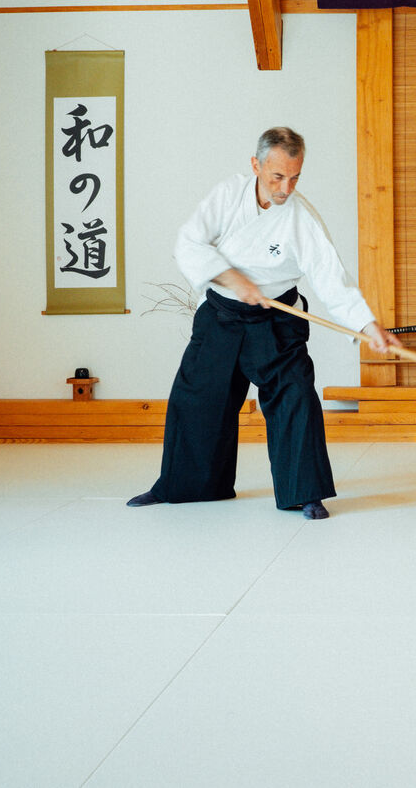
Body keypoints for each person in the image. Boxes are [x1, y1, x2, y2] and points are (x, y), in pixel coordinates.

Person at [127, 127, 401, 519]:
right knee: (197, 398)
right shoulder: (228, 196)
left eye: (295, 177)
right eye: (277, 176)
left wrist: (367, 325)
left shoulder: (301, 218)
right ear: (256, 165)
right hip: (221, 315)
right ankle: (185, 486)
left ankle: (304, 492)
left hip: (277, 319)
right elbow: (189, 242)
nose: (286, 188)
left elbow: (330, 276)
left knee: (295, 397)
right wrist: (230, 278)